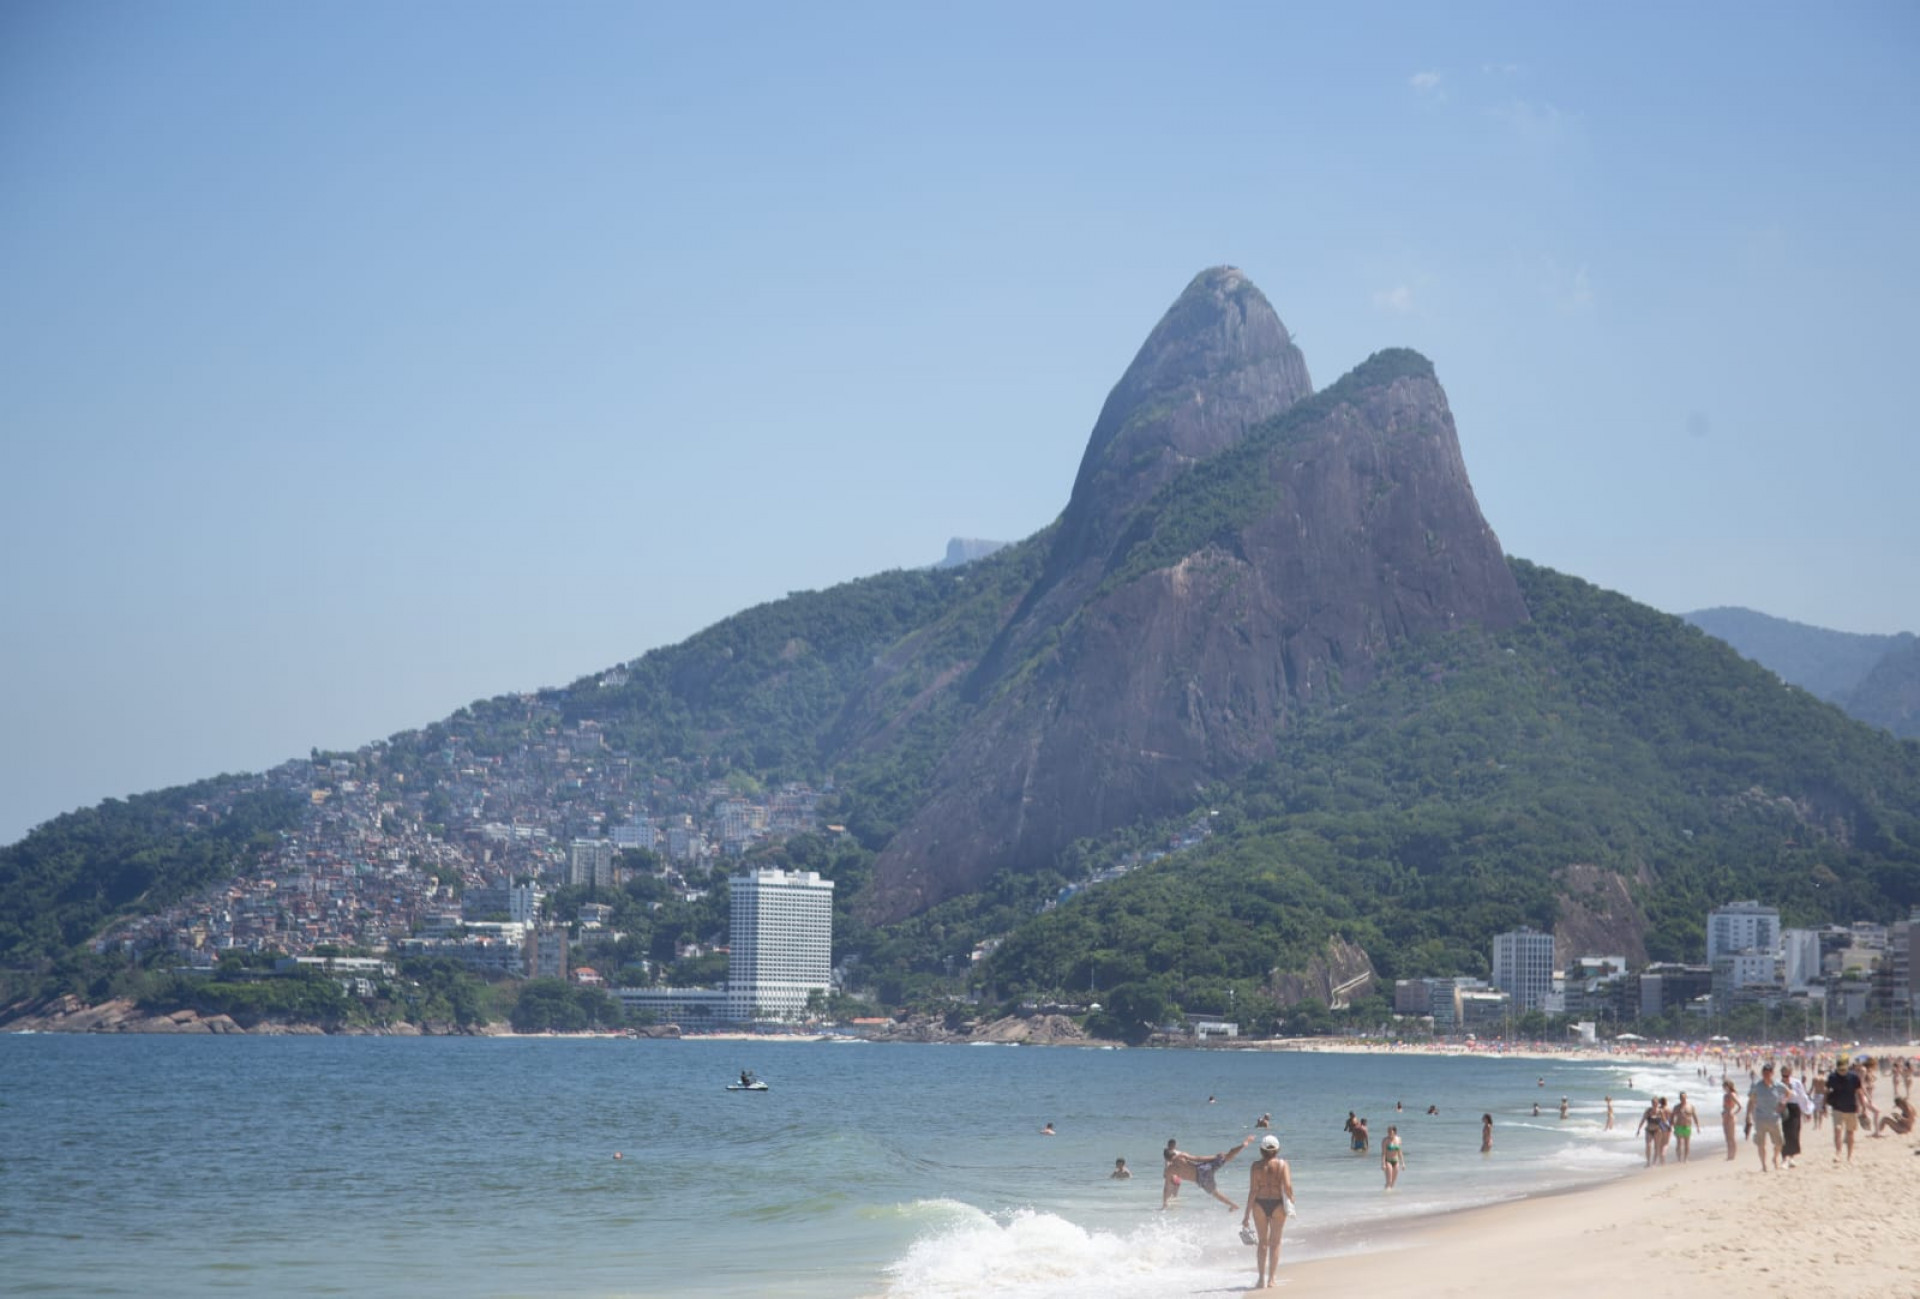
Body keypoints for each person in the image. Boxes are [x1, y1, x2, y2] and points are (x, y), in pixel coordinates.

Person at [1240, 1133, 1293, 1290]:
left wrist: (1246, 1215)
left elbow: (1253, 1191)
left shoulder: (1255, 1166)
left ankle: (1261, 1279)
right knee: (1275, 1243)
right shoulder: (1283, 1165)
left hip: (1259, 1205)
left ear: (1261, 1150)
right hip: (1277, 1205)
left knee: (1262, 1243)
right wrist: (1292, 1199)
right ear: (1277, 1149)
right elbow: (1288, 1186)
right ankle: (1271, 1280)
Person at [1165, 1135, 1253, 1211]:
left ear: (1167, 1159)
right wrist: (1215, 1157)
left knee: (1216, 1193)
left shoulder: (1169, 1170)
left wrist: (1165, 1202)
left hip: (1200, 1179)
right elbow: (1197, 1158)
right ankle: (1243, 1145)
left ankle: (1233, 1205)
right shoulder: (1181, 1156)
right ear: (1173, 1152)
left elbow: (1166, 1188)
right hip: (1203, 1169)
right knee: (1226, 1156)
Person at [1747, 1064, 1788, 1171]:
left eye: (1768, 1073)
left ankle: (1775, 1158)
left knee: (1779, 1143)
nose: (1766, 1075)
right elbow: (1751, 1098)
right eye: (1764, 1073)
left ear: (1772, 1073)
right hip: (1760, 1118)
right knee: (1761, 1144)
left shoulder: (1777, 1085)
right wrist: (1750, 1114)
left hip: (1774, 1118)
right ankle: (1764, 1165)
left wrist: (1783, 1103)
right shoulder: (1757, 1085)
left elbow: (1788, 1093)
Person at [1827, 1056, 1865, 1163]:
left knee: (1850, 1133)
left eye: (1843, 1070)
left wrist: (1864, 1107)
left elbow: (1859, 1092)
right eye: (1840, 1070)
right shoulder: (1832, 1077)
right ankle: (1838, 1153)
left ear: (1847, 1068)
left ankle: (1849, 1156)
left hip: (1851, 1108)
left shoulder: (1854, 1078)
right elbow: (1827, 1091)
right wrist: (1823, 1106)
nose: (1841, 1072)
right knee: (1837, 1130)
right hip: (1837, 1108)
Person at [1783, 1066, 1813, 1166]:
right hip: (1783, 1108)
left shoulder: (1796, 1083)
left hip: (1794, 1107)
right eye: (1784, 1074)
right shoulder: (1778, 1083)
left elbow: (1802, 1096)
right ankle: (1784, 1157)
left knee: (1794, 1132)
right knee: (1784, 1133)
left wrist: (1807, 1111)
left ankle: (1791, 1156)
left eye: (1787, 1074)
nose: (1786, 1076)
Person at [1671, 1092, 1697, 1163]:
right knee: (1679, 1143)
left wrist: (1697, 1126)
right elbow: (1672, 1117)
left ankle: (1685, 1158)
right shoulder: (1676, 1107)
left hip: (1687, 1126)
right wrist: (1672, 1125)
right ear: (1679, 1098)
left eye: (1684, 1097)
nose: (1683, 1099)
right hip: (1678, 1126)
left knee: (1687, 1143)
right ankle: (1679, 1159)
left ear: (1686, 1097)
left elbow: (1694, 1116)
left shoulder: (1690, 1106)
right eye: (1681, 1097)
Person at [1720, 1079, 1742, 1160]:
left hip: (1730, 1116)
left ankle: (1733, 1155)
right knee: (1727, 1137)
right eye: (1724, 1086)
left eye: (1725, 1086)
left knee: (1731, 1137)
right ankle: (1729, 1154)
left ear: (1729, 1086)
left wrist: (1734, 1113)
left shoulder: (1732, 1095)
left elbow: (1740, 1106)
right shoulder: (1725, 1096)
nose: (1724, 1088)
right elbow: (1724, 1106)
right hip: (1725, 1116)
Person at [1380, 1124, 1404, 1190]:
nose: (1389, 1133)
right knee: (1389, 1181)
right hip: (1388, 1161)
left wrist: (1403, 1163)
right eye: (1388, 1132)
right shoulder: (1385, 1140)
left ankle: (1391, 1197)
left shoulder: (1398, 1139)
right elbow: (1383, 1153)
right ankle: (1386, 1194)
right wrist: (1383, 1164)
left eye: (1390, 1132)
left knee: (1393, 1182)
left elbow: (1400, 1152)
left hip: (1396, 1161)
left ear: (1394, 1132)